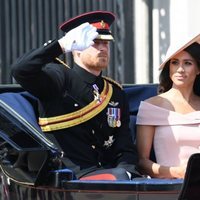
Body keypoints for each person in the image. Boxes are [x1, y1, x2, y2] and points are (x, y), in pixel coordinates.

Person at [11, 10, 139, 180]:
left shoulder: (115, 92)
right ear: (76, 47)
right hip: (72, 177)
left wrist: (128, 172)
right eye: (94, 42)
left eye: (106, 43)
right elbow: (21, 71)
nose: (102, 48)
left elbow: (124, 147)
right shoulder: (59, 78)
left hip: (110, 177)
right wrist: (60, 46)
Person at [136, 33, 200, 179]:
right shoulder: (151, 106)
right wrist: (177, 172)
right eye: (175, 62)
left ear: (198, 69)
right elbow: (142, 162)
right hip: (170, 187)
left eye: (188, 63)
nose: (180, 69)